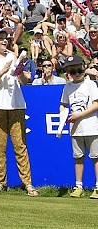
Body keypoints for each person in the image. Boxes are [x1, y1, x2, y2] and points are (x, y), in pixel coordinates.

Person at [0, 28, 38, 196]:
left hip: (16, 105)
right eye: (0, 38)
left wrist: (19, 72)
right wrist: (3, 71)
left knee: (20, 146)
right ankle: (0, 182)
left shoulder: (13, 56)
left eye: (5, 38)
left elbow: (24, 81)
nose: (5, 41)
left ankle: (27, 183)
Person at [59, 55, 98, 198]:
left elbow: (96, 104)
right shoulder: (67, 87)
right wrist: (64, 116)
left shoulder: (90, 85)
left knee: (96, 157)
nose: (76, 74)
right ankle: (78, 186)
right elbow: (63, 105)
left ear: (84, 68)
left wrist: (79, 115)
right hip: (75, 130)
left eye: (79, 70)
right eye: (72, 72)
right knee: (78, 157)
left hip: (92, 127)